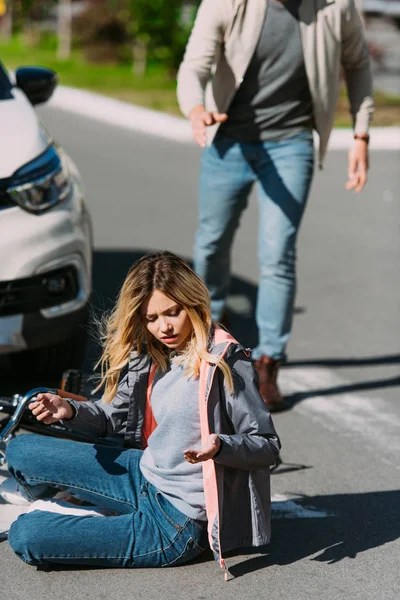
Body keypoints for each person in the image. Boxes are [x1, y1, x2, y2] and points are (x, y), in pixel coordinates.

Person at [6, 251, 280, 573]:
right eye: (151, 318)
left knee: (25, 535)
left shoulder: (225, 362)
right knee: (20, 450)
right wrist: (69, 411)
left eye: (172, 312)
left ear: (192, 302)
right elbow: (113, 418)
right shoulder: (153, 354)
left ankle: (84, 509)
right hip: (144, 475)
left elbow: (267, 445)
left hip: (176, 523)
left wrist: (221, 446)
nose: (163, 327)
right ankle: (76, 502)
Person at [177, 0, 374, 411]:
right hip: (228, 139)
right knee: (211, 242)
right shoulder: (227, 3)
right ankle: (209, 335)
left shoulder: (335, 7)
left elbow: (357, 64)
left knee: (278, 252)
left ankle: (268, 362)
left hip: (291, 144)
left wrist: (361, 134)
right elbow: (195, 65)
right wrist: (196, 109)